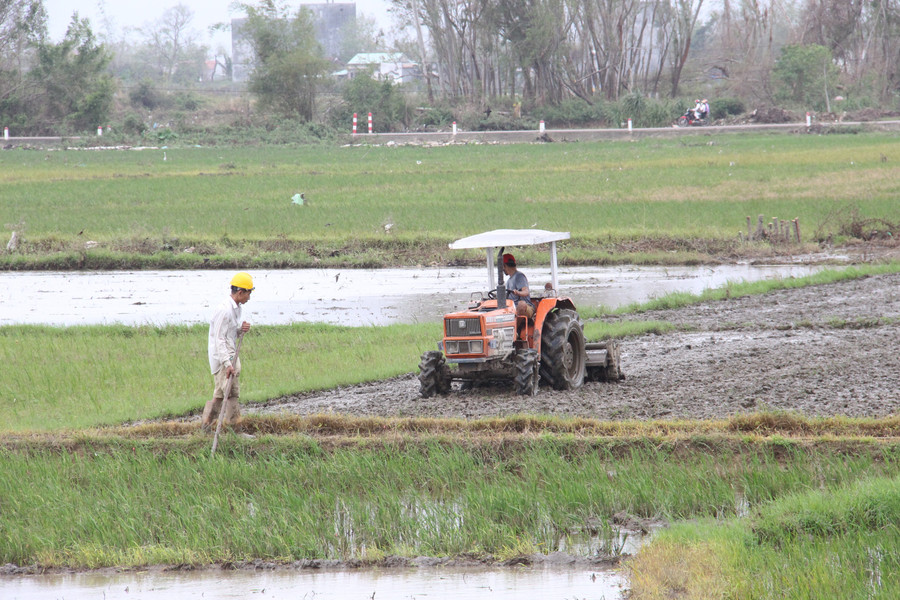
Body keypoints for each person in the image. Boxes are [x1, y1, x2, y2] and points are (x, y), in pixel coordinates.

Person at [202, 271, 253, 430]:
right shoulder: (224, 310)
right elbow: (219, 340)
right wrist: (227, 363)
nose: (249, 298)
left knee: (219, 394)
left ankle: (206, 427)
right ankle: (235, 431)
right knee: (231, 393)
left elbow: (229, 334)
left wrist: (240, 330)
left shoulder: (235, 308)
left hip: (229, 354)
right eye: (248, 294)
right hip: (224, 358)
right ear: (240, 292)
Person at [502, 253, 535, 319]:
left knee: (521, 304)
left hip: (526, 307)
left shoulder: (519, 276)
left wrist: (518, 292)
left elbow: (526, 291)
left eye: (502, 267)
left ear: (504, 265)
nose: (502, 269)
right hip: (512, 308)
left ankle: (515, 327)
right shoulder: (509, 281)